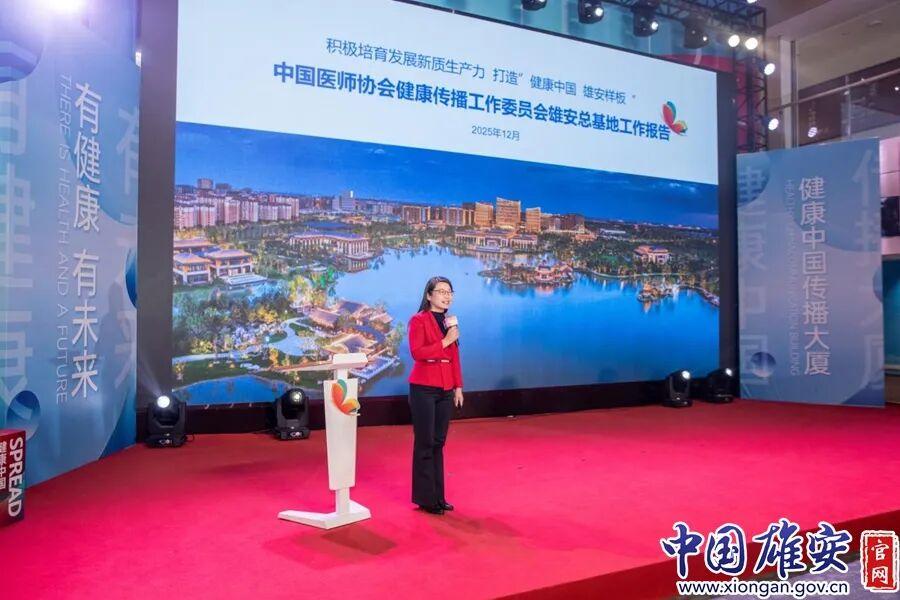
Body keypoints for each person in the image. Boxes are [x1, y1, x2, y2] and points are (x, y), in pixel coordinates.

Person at [407, 276, 464, 515]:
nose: (446, 296)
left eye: (449, 292)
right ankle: (425, 498)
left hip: (446, 388)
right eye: (441, 291)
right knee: (425, 442)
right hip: (424, 387)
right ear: (429, 295)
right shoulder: (418, 320)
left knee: (439, 442)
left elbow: (454, 356)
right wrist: (445, 341)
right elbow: (417, 352)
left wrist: (458, 387)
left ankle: (438, 497)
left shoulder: (450, 322)